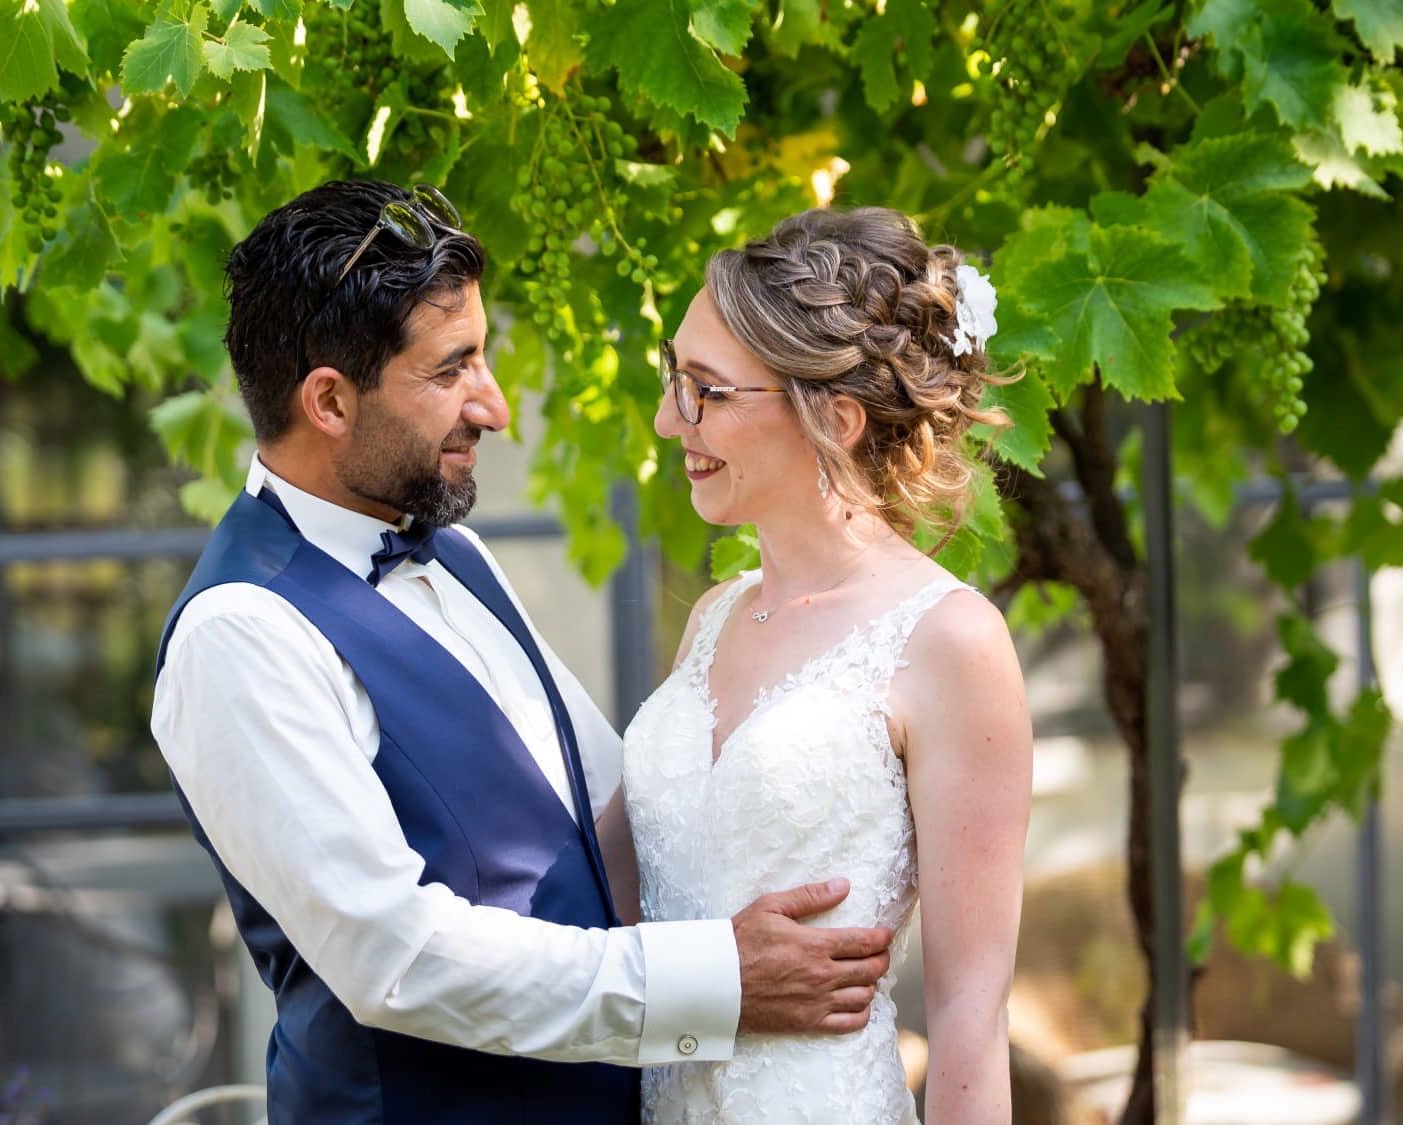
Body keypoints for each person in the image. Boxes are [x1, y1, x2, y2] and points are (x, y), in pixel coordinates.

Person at [150, 180, 896, 1125]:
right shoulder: (239, 634)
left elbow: (609, 808)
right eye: (450, 369)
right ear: (329, 401)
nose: (493, 406)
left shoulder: (455, 551)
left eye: (483, 358)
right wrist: (719, 978)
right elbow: (397, 958)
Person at [618, 207, 1033, 1123]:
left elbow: (970, 1014)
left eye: (705, 392)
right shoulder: (712, 618)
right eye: (670, 380)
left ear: (834, 417)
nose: (664, 420)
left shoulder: (950, 642)